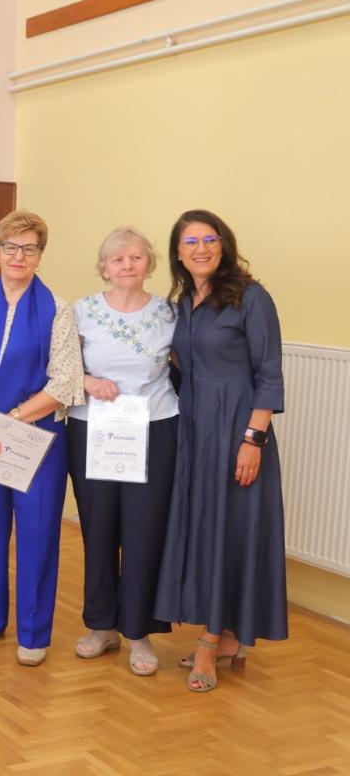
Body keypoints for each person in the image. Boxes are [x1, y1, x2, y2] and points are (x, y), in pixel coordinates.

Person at [154, 209, 286, 693]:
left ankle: (210, 642)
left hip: (237, 429)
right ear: (178, 252)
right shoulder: (183, 302)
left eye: (210, 239)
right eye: (190, 242)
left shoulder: (252, 297)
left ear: (224, 245)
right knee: (208, 528)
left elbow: (268, 373)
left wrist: (254, 439)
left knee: (232, 529)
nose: (201, 249)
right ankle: (228, 636)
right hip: (194, 428)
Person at [0, 209, 84, 666]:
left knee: (37, 533)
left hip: (36, 440)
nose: (19, 256)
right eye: (10, 247)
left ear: (40, 256)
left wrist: (5, 422)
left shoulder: (57, 309)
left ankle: (33, 631)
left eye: (30, 248)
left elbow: (65, 383)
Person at [65, 227, 177, 676]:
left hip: (155, 429)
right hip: (94, 430)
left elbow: (189, 367)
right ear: (104, 268)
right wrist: (88, 381)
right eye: (118, 259)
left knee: (144, 532)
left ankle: (138, 631)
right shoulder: (81, 311)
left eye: (135, 257)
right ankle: (101, 625)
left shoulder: (169, 313)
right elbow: (60, 367)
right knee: (99, 528)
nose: (127, 265)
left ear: (149, 263)